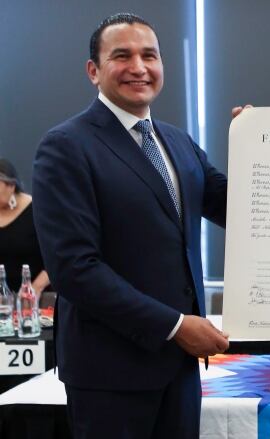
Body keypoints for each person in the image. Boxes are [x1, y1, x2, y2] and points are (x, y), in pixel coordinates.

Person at [33, 13, 247, 438]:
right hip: (110, 375)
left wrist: (259, 143)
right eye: (122, 55)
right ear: (93, 71)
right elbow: (75, 269)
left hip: (179, 373)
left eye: (149, 55)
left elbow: (239, 209)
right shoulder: (66, 147)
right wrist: (176, 326)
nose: (139, 66)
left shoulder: (178, 141)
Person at [0, 158, 50, 293]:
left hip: (37, 298)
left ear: (11, 185)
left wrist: (35, 289)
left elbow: (58, 257)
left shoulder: (38, 210)